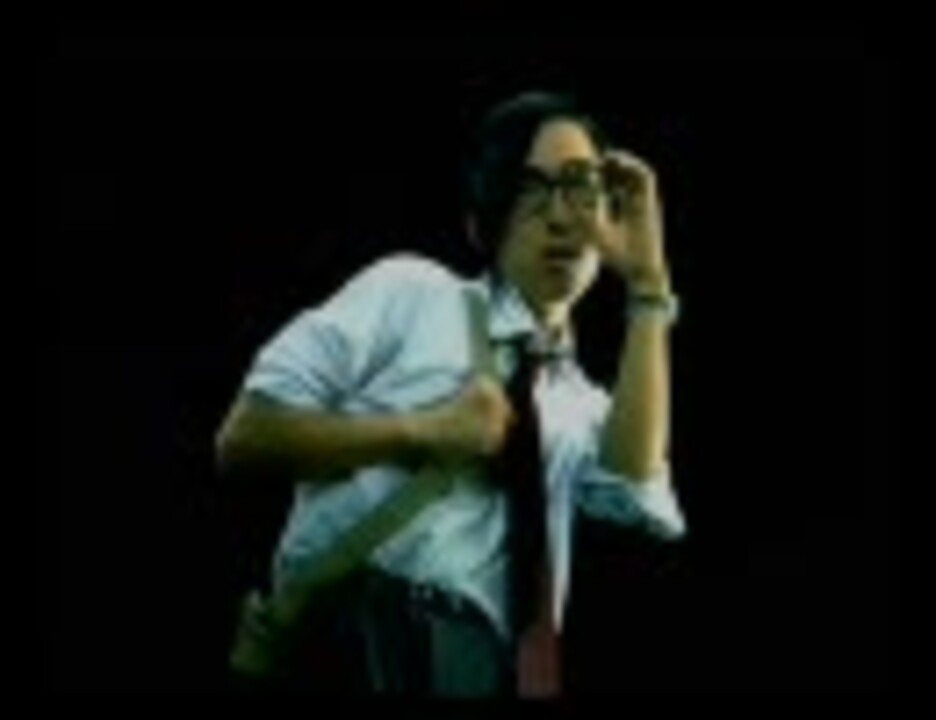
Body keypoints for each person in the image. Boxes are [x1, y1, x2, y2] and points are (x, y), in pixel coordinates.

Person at [215, 91, 687, 696]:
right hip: (358, 638)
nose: (560, 216)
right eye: (531, 188)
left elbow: (634, 486)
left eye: (580, 185)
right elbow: (245, 439)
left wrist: (648, 283)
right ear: (486, 214)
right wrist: (424, 431)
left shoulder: (581, 404)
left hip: (480, 670)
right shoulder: (411, 292)